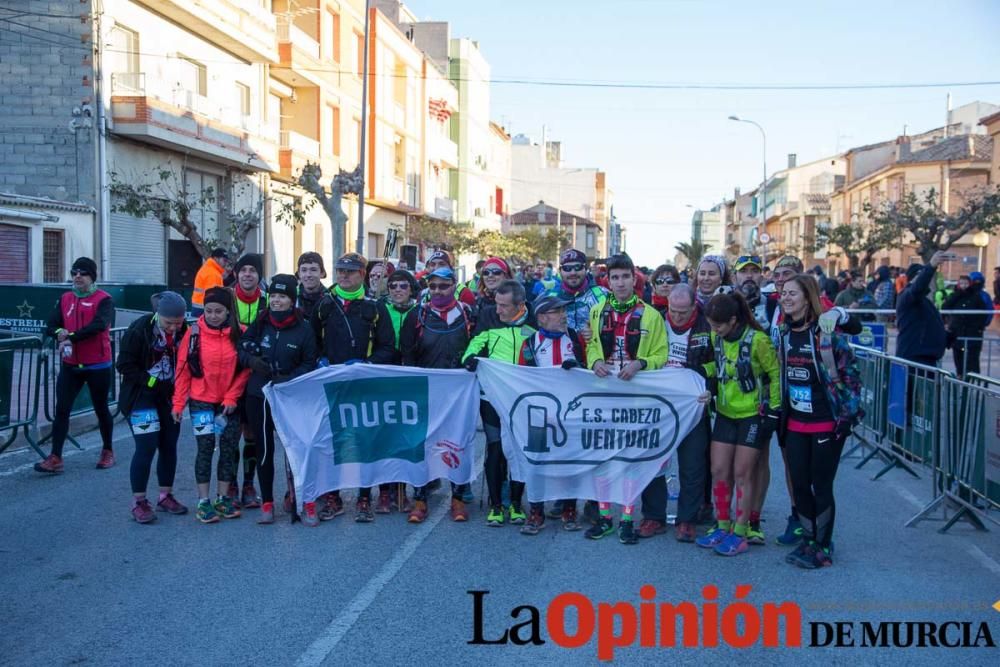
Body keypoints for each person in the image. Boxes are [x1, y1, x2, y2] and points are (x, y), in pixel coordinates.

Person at [777, 274, 862, 568]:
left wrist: (847, 414)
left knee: (821, 486)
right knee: (799, 485)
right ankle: (809, 540)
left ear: (807, 297)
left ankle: (823, 547)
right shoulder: (784, 335)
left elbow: (851, 375)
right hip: (794, 424)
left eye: (792, 294)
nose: (786, 298)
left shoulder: (826, 334)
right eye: (783, 293)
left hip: (826, 423)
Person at [585, 254, 668, 545]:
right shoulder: (596, 311)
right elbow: (592, 345)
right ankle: (606, 518)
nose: (620, 283)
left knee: (632, 461)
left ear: (635, 279)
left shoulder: (651, 315)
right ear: (608, 280)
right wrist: (594, 361)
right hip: (604, 398)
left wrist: (641, 364)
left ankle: (629, 520)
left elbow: (662, 355)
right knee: (603, 459)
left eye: (625, 277)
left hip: (636, 402)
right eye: (614, 277)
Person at [311, 252, 395, 522]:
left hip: (363, 384)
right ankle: (333, 497)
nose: (344, 276)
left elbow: (388, 348)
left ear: (362, 274)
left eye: (350, 271)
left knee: (364, 442)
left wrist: (366, 363)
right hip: (331, 384)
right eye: (340, 271)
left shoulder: (375, 307)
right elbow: (311, 342)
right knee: (332, 441)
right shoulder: (325, 304)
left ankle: (363, 498)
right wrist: (319, 360)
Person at [696, 292, 780, 557]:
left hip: (751, 416)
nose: (714, 330)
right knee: (719, 470)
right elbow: (719, 366)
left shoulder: (758, 340)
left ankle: (741, 531)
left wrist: (774, 410)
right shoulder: (716, 337)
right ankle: (722, 525)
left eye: (718, 325)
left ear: (733, 320)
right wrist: (702, 374)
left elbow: (774, 375)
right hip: (724, 412)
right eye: (711, 324)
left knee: (742, 473)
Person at [239, 275, 318, 525]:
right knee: (264, 450)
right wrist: (253, 361)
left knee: (297, 450)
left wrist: (290, 379)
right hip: (259, 394)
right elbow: (241, 346)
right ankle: (267, 503)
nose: (276, 301)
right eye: (273, 296)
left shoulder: (304, 327)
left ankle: (304, 501)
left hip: (291, 396)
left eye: (282, 296)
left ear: (292, 300)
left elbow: (310, 362)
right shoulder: (262, 320)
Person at [400, 266, 476, 523]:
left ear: (455, 285)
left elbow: (478, 347)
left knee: (458, 442)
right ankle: (420, 498)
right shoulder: (417, 315)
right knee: (423, 444)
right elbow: (407, 353)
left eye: (443, 286)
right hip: (426, 390)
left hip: (458, 393)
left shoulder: (467, 314)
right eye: (432, 286)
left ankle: (458, 497)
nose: (437, 291)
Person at [171, 287, 250, 524]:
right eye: (208, 310)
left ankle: (223, 498)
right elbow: (183, 369)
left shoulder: (241, 333)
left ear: (229, 311)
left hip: (228, 405)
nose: (213, 315)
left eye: (219, 311)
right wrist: (178, 402)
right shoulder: (193, 333)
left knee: (228, 450)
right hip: (201, 401)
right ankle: (203, 501)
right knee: (205, 449)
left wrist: (232, 397)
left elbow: (245, 369)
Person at [462, 279, 536, 528]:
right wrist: (469, 358)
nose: (498, 310)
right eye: (497, 304)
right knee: (495, 447)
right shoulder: (488, 316)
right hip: (491, 395)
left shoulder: (534, 318)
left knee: (518, 448)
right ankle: (495, 505)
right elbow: (475, 342)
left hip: (521, 398)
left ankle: (515, 503)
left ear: (520, 305)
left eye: (504, 306)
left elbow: (545, 348)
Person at [35, 257, 117, 474]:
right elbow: (50, 324)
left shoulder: (104, 299)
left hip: (97, 364)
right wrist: (58, 333)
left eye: (83, 273)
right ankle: (55, 457)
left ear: (92, 277)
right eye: (74, 273)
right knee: (62, 409)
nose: (77, 277)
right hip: (71, 364)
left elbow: (99, 325)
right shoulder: (65, 298)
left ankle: (108, 450)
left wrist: (70, 336)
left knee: (101, 408)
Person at [516, 293, 588, 536]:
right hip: (539, 415)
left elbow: (589, 370)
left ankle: (569, 508)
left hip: (570, 414)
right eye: (557, 311)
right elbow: (523, 379)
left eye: (564, 310)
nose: (564, 315)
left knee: (570, 461)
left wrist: (576, 367)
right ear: (543, 317)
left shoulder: (576, 338)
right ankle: (536, 510)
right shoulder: (531, 343)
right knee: (536, 464)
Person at [116, 291, 189, 523]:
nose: (173, 329)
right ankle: (139, 501)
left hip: (168, 397)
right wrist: (152, 382)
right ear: (159, 315)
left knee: (169, 445)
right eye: (169, 323)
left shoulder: (185, 330)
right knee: (146, 446)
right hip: (141, 396)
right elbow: (124, 365)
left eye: (178, 324)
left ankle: (165, 496)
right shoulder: (139, 329)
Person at [657, 284, 712, 543]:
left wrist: (710, 386)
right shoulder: (656, 319)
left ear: (694, 306)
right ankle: (652, 516)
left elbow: (718, 361)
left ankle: (687, 519)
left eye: (683, 312)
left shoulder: (707, 325)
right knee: (655, 461)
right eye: (673, 311)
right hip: (659, 405)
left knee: (692, 465)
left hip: (693, 406)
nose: (676, 317)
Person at [229, 253, 268, 508]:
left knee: (251, 433)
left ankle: (249, 484)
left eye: (252, 270)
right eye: (243, 270)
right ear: (236, 274)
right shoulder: (225, 299)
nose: (247, 274)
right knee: (231, 434)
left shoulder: (267, 301)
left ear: (259, 275)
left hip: (256, 376)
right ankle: (230, 484)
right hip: (229, 377)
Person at [896, 252, 947, 367]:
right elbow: (918, 287)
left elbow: (925, 323)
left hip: (926, 356)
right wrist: (931, 266)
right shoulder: (907, 296)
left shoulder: (924, 301)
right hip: (914, 357)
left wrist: (946, 336)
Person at [546, 249, 608, 341]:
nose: (573, 273)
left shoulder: (603, 295)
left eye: (578, 267)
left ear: (586, 269)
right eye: (567, 268)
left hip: (595, 353)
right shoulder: (549, 298)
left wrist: (597, 331)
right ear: (560, 271)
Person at [943, 272, 992, 377]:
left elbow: (984, 313)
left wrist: (980, 326)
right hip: (957, 332)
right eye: (961, 283)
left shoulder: (976, 296)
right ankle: (960, 376)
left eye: (966, 283)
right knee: (958, 357)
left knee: (972, 359)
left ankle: (973, 379)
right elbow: (945, 307)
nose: (964, 286)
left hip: (972, 333)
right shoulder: (954, 295)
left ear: (969, 284)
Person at [192, 248, 229, 316]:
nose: (226, 263)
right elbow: (214, 296)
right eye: (224, 260)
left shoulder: (208, 269)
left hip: (200, 307)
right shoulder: (213, 274)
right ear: (216, 259)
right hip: (206, 309)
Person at [296, 251, 328, 319]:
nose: (308, 275)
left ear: (322, 273)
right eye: (304, 270)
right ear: (299, 274)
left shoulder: (331, 299)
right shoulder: (292, 299)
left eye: (313, 270)